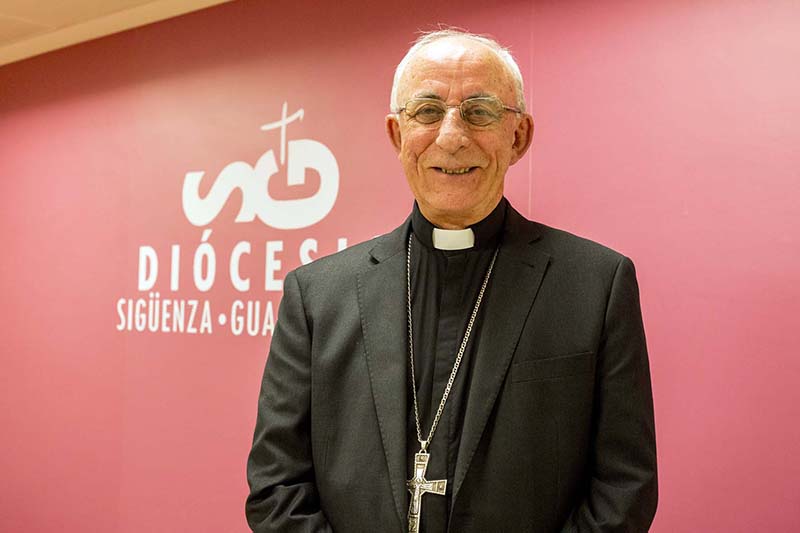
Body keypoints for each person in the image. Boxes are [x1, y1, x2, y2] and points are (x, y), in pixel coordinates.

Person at [246, 29, 657, 533]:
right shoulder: (316, 295)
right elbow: (276, 487)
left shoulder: (595, 286)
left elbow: (623, 488)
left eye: (480, 111)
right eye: (427, 111)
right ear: (397, 134)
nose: (451, 136)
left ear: (519, 136)